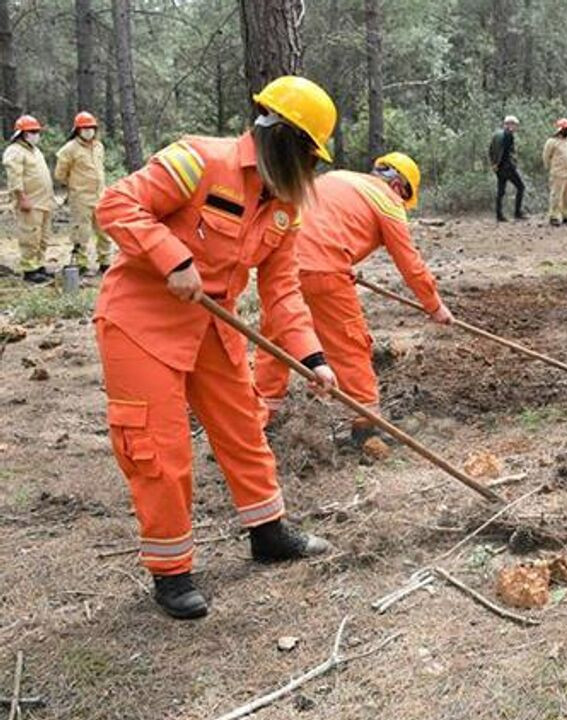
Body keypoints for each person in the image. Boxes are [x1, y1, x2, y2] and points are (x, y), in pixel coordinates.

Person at [94, 75, 340, 620]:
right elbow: (116, 205)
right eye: (310, 156)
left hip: (214, 326)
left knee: (243, 429)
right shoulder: (197, 160)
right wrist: (171, 258)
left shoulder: (284, 207)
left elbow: (283, 292)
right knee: (159, 448)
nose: (312, 170)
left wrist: (314, 359)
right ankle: (172, 571)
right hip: (142, 322)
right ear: (284, 139)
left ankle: (267, 532)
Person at [255, 151, 452, 442]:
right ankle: (366, 426)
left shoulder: (338, 177)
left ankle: (259, 422)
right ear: (400, 187)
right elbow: (410, 264)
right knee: (349, 344)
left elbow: (321, 225)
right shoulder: (388, 202)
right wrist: (435, 306)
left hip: (279, 266)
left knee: (275, 343)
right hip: (325, 271)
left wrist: (343, 264)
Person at [55, 111, 111, 275]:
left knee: (104, 231)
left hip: (100, 196)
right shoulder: (69, 149)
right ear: (77, 130)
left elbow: (101, 170)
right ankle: (82, 264)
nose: (88, 131)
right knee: (81, 232)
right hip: (80, 198)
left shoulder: (99, 146)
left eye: (91, 128)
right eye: (84, 128)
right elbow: (60, 174)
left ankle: (105, 262)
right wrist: (75, 186)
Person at [4, 115, 54, 284]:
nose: (36, 134)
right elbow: (14, 177)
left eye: (37, 131)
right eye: (32, 131)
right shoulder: (15, 151)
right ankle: (29, 270)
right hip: (29, 202)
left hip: (44, 202)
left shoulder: (35, 150)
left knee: (43, 237)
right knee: (30, 236)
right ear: (22, 133)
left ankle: (39, 265)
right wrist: (21, 198)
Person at [489, 115, 526, 221]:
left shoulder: (496, 134)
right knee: (521, 187)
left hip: (499, 168)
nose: (516, 128)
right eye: (515, 125)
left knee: (500, 191)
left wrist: (494, 164)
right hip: (507, 167)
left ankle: (499, 214)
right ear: (509, 124)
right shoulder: (508, 135)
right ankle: (517, 213)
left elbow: (491, 150)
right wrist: (512, 164)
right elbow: (507, 152)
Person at [542, 118, 567, 226]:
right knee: (556, 195)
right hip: (557, 173)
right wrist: (549, 168)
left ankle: (566, 214)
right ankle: (554, 216)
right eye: (566, 129)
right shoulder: (551, 142)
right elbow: (546, 156)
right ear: (560, 129)